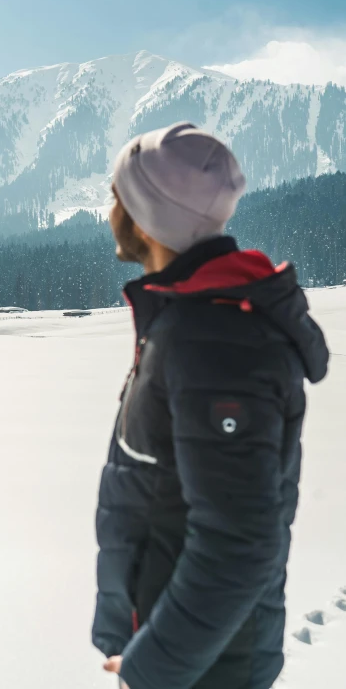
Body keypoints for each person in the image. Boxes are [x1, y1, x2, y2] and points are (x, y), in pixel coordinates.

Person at [92, 122, 329, 689]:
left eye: (118, 195)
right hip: (183, 645)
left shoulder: (216, 339)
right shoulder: (195, 320)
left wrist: (153, 666)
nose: (109, 210)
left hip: (204, 665)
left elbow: (238, 542)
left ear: (148, 219)